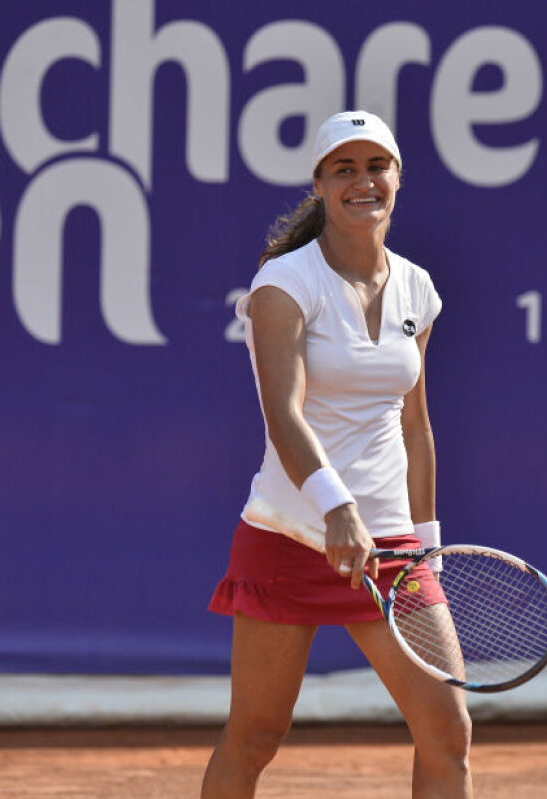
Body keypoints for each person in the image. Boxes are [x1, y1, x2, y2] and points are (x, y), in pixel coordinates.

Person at [201, 111, 473, 798]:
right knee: (256, 734)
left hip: (392, 545)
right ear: (319, 184)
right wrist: (336, 507)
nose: (363, 181)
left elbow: (415, 423)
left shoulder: (417, 288)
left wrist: (427, 545)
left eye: (376, 166)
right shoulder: (283, 286)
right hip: (291, 534)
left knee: (448, 731)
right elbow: (282, 414)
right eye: (344, 169)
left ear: (398, 179)